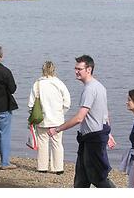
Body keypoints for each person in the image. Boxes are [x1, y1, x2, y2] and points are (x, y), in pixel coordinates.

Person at [48, 55, 116, 188]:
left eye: (79, 69)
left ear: (89, 69)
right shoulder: (99, 86)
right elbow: (105, 113)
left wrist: (57, 129)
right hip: (90, 138)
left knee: (98, 177)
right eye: (75, 68)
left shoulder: (90, 89)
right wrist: (108, 133)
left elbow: (79, 118)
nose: (76, 71)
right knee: (81, 177)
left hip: (94, 139)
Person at [28, 61, 71, 174]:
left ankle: (42, 167)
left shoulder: (37, 84)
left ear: (42, 70)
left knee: (42, 142)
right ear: (54, 70)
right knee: (57, 143)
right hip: (57, 119)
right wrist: (62, 113)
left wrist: (32, 116)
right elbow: (67, 102)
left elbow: (31, 104)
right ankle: (58, 168)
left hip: (42, 119)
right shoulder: (59, 83)